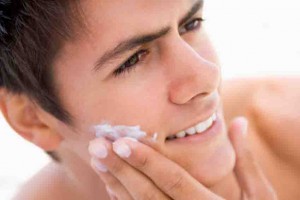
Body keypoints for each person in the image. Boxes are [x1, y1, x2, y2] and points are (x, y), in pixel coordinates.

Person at [0, 0, 299, 199]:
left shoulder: (288, 125)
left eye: (190, 24)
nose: (206, 77)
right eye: (132, 60)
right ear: (33, 118)